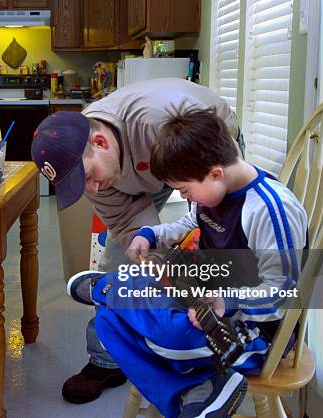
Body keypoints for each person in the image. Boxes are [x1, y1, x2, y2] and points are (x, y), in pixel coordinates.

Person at [69, 106, 307, 417]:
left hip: (253, 332)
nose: (187, 198)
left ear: (215, 173)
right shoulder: (215, 192)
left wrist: (228, 301)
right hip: (204, 300)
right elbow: (188, 224)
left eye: (184, 190)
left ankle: (110, 289)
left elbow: (285, 292)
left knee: (165, 333)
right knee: (106, 323)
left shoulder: (269, 209)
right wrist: (151, 233)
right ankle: (199, 391)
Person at [31, 78, 243, 403]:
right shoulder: (94, 163)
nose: (92, 191)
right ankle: (106, 358)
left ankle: (219, 353)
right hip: (136, 167)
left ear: (101, 143)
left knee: (214, 249)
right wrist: (154, 265)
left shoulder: (159, 121)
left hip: (203, 145)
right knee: (122, 255)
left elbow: (214, 192)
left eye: (87, 178)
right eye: (78, 185)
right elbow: (125, 222)